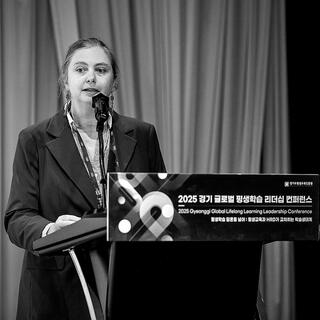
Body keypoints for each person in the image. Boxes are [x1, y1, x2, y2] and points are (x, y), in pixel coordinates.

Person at [4, 37, 165, 320]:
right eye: (80, 69)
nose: (91, 77)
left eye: (101, 70)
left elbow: (160, 207)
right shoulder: (34, 139)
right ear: (65, 81)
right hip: (57, 289)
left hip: (129, 284)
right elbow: (18, 216)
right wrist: (50, 230)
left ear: (113, 83)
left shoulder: (142, 135)